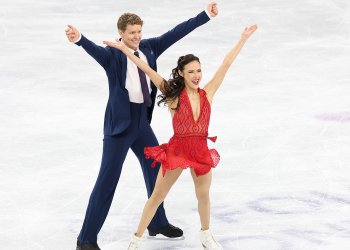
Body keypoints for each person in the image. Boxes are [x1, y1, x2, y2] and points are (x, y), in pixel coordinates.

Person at [65, 2, 218, 250]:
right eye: (131, 33)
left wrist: (205, 16)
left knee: (157, 169)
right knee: (107, 180)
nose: (136, 37)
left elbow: (177, 32)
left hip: (141, 123)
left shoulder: (149, 47)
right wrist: (79, 38)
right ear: (121, 33)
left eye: (139, 31)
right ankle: (86, 239)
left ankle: (157, 222)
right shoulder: (113, 55)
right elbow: (93, 49)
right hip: (119, 127)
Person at [103, 24, 257, 249]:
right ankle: (135, 240)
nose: (196, 76)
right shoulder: (173, 95)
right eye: (191, 72)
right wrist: (125, 50)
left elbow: (226, 63)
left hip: (200, 150)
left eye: (199, 71)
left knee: (203, 195)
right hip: (178, 150)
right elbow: (146, 69)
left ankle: (206, 236)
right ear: (182, 74)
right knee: (157, 195)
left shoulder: (208, 92)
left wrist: (242, 38)